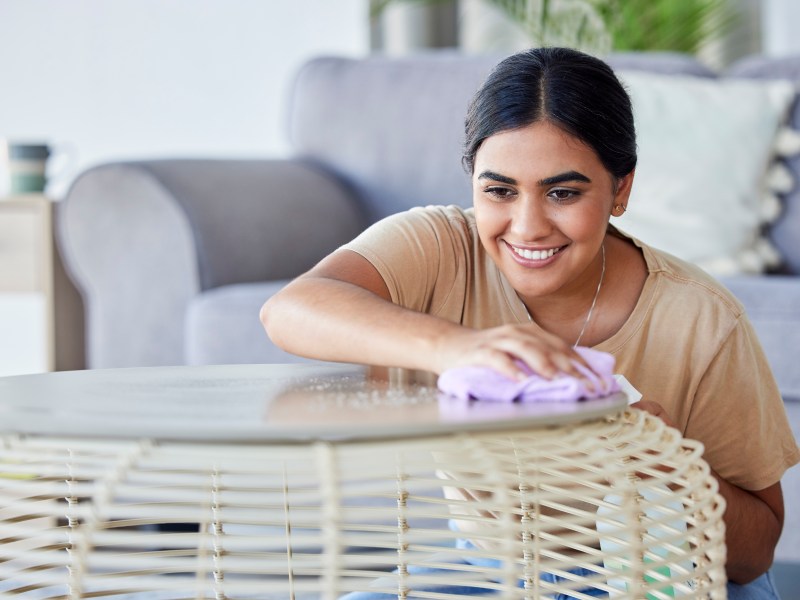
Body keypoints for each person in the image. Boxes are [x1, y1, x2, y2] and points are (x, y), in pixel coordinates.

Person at [261, 47, 799, 598]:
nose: (527, 226)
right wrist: (459, 349)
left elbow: (755, 554)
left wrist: (667, 466)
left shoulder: (701, 318)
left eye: (563, 193)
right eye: (499, 190)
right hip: (492, 570)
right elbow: (290, 309)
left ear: (621, 189)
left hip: (660, 571)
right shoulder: (440, 247)